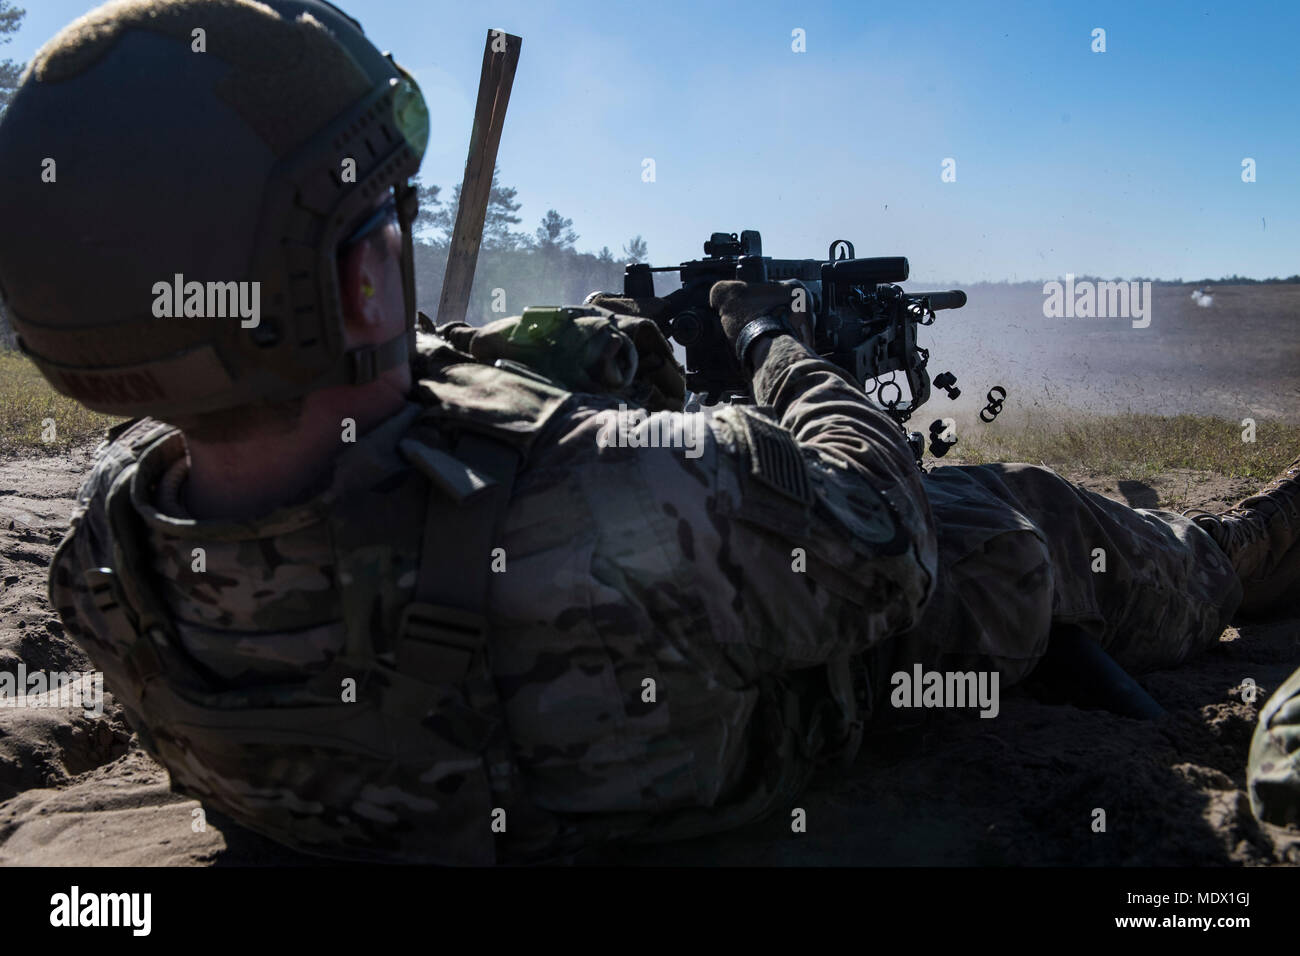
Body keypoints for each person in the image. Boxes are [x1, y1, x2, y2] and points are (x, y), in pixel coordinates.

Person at [0, 0, 1296, 863]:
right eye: (382, 224)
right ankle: (1237, 554)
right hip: (783, 705)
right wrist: (777, 343)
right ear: (352, 284)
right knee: (1007, 521)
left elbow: (390, 425)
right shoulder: (639, 507)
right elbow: (880, 520)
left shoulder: (109, 552)